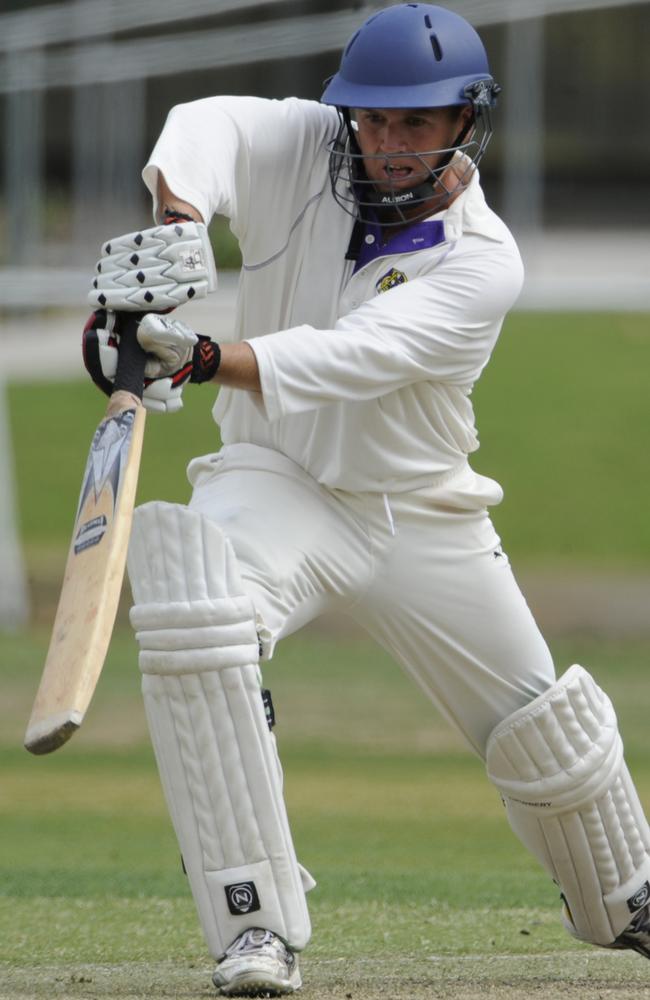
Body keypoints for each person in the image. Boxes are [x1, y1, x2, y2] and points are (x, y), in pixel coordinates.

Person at [83, 4, 650, 996]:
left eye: (413, 123)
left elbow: (353, 357)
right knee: (195, 610)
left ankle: (624, 895)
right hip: (278, 477)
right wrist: (178, 229)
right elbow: (206, 125)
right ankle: (250, 923)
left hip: (419, 508)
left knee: (541, 733)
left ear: (463, 122)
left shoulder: (482, 261)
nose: (384, 143)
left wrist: (205, 356)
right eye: (371, 121)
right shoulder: (307, 144)